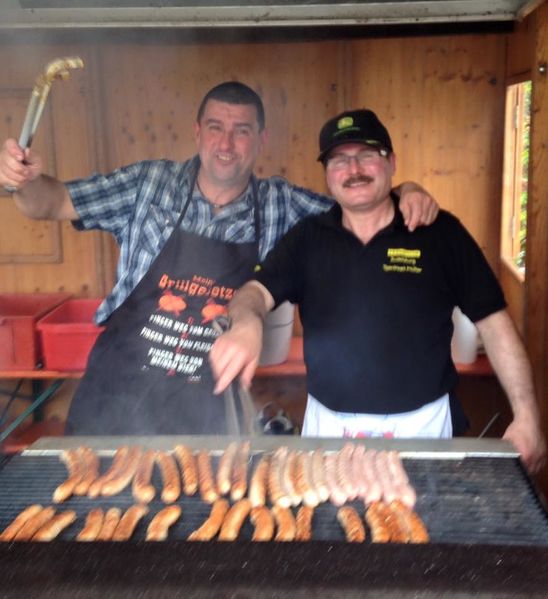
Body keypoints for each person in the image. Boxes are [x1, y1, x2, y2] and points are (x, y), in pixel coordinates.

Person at [0, 83, 438, 435]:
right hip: (117, 389)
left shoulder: (279, 203)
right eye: (215, 127)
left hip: (210, 404)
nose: (226, 143)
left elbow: (357, 208)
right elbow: (51, 202)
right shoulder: (148, 184)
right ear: (197, 132)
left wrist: (404, 190)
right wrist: (21, 181)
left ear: (261, 140)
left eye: (242, 130)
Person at [209, 108, 546, 474]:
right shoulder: (307, 238)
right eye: (339, 160)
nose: (353, 170)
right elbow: (253, 293)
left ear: (392, 163)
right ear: (327, 174)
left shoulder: (440, 233)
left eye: (367, 155)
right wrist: (245, 322)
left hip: (423, 429)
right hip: (330, 432)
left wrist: (527, 416)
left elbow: (495, 324)